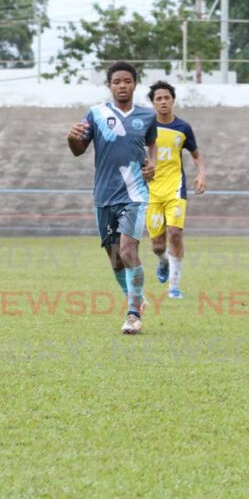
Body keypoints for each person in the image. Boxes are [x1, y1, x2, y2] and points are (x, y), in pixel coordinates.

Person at [66, 62, 158, 334]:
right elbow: (78, 150)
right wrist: (71, 138)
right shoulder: (96, 114)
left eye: (127, 81)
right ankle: (137, 299)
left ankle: (133, 314)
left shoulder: (147, 115)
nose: (122, 85)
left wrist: (152, 164)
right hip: (104, 195)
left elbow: (151, 145)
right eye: (116, 81)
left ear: (134, 84)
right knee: (116, 258)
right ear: (109, 85)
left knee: (129, 251)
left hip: (135, 194)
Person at [145, 80, 206, 299]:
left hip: (175, 188)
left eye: (166, 98)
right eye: (158, 99)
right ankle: (163, 263)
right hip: (151, 191)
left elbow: (196, 154)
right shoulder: (145, 126)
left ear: (173, 100)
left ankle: (174, 286)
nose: (163, 102)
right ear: (153, 103)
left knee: (175, 234)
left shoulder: (183, 128)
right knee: (157, 245)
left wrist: (201, 174)